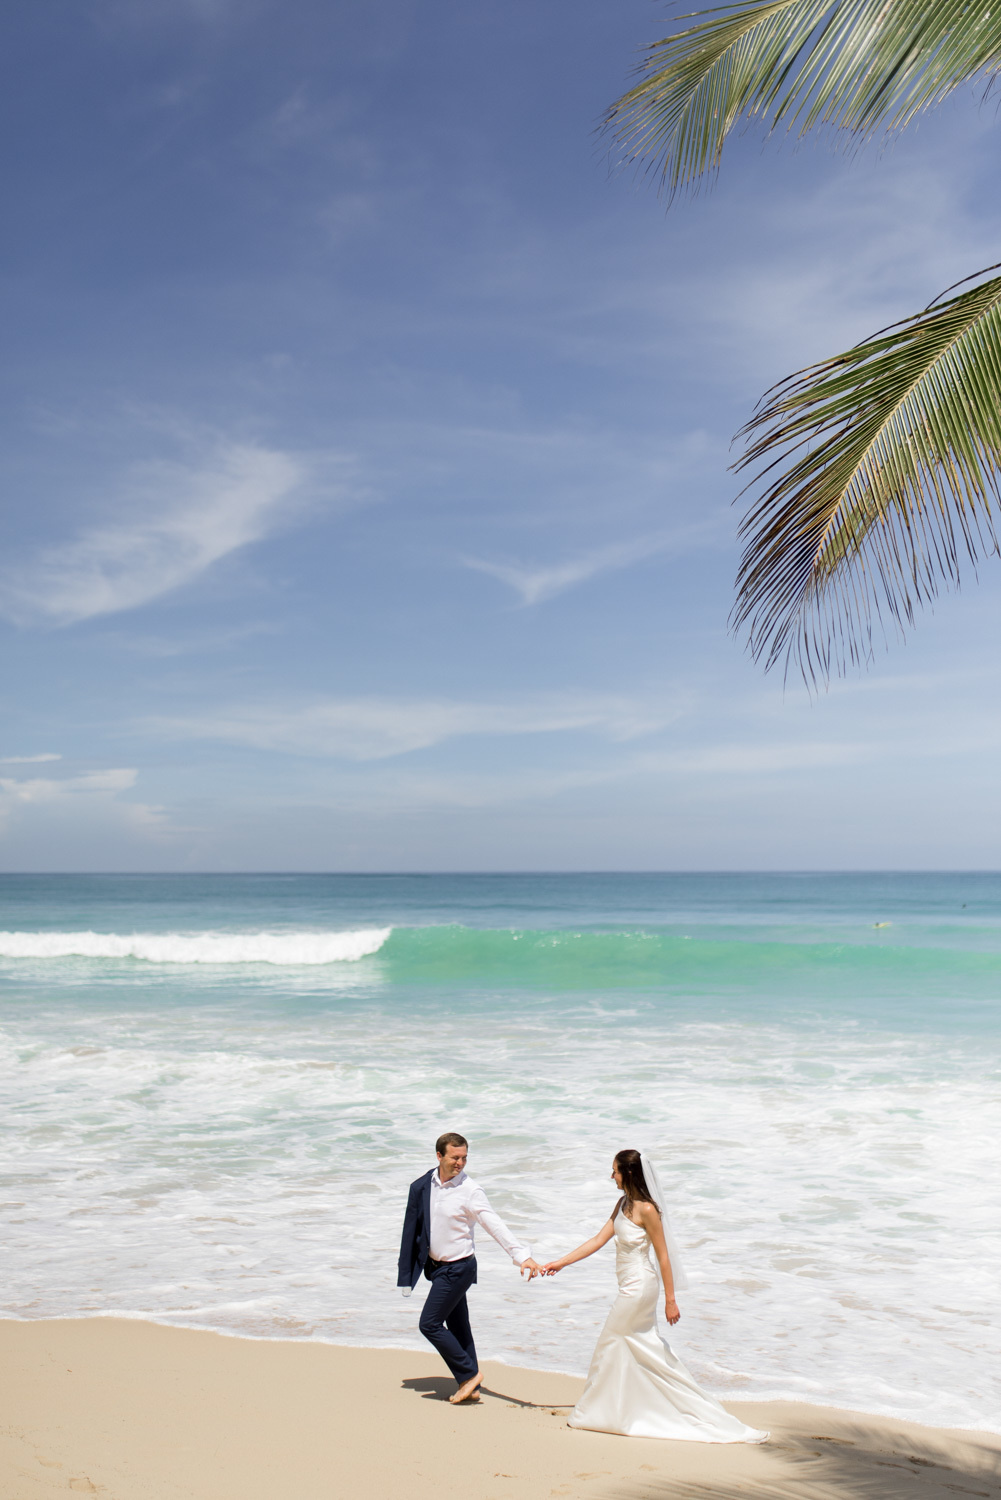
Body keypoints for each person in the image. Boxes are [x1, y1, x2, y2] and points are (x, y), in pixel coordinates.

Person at [542, 1148, 767, 1443]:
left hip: (640, 1287)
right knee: (634, 1347)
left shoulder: (647, 1209)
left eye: (615, 1171)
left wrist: (670, 1300)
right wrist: (560, 1263)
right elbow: (598, 1239)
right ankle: (617, 1409)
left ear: (629, 1173)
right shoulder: (623, 1203)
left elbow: (663, 1257)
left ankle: (601, 1411)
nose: (612, 1176)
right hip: (628, 1286)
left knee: (611, 1342)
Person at [398, 1132, 543, 1404]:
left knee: (429, 1324)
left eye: (464, 1158)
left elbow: (494, 1224)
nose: (460, 1163)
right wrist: (407, 1271)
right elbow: (413, 1229)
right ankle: (470, 1384)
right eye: (455, 1157)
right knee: (458, 1326)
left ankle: (468, 1375)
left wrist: (522, 1255)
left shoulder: (470, 1191)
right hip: (437, 1268)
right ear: (439, 1156)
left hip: (459, 1268)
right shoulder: (422, 1186)